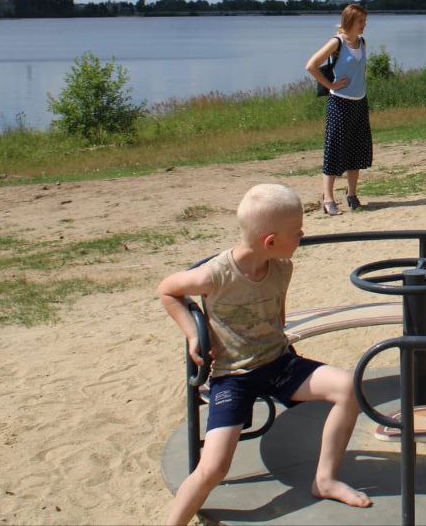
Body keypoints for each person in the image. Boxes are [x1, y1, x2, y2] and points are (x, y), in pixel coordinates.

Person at [157, 184, 372, 525]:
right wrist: (191, 333)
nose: (302, 236)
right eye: (297, 232)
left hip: (279, 363)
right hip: (233, 377)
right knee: (213, 467)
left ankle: (325, 479)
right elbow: (167, 290)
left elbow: (279, 319)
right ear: (270, 241)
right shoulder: (215, 274)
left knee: (348, 388)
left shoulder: (282, 267)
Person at [305, 4, 372, 215]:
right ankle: (328, 198)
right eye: (360, 21)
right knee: (334, 149)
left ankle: (352, 194)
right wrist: (331, 85)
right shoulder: (337, 42)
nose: (364, 25)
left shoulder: (361, 42)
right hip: (339, 102)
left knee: (357, 149)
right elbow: (311, 65)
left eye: (365, 21)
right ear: (350, 21)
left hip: (359, 101)